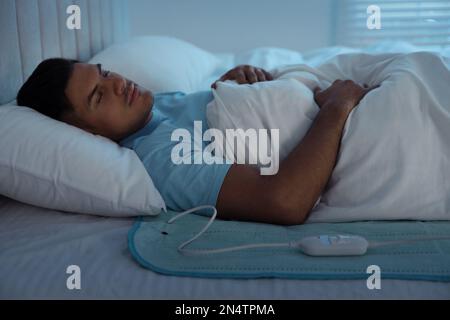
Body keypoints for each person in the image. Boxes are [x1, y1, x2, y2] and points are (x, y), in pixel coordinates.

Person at [17, 58, 374, 225]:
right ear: (85, 135)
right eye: (98, 97)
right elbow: (284, 202)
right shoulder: (159, 159)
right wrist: (338, 107)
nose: (117, 84)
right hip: (351, 119)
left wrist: (229, 88)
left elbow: (201, 120)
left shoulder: (153, 105)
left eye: (105, 73)